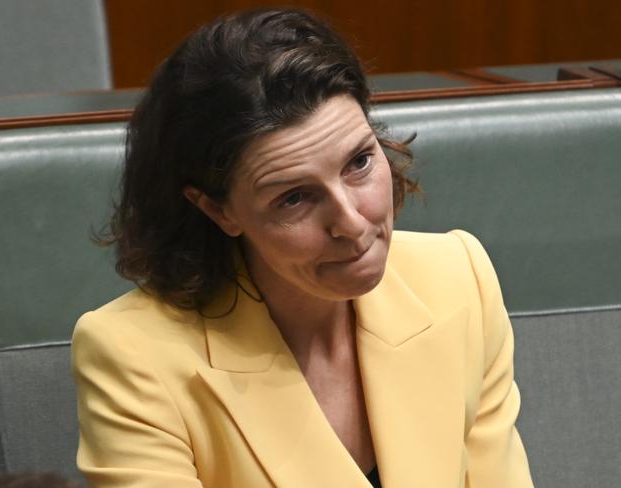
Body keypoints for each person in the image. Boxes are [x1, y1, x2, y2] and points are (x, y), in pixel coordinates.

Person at [72, 8, 534, 487]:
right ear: (217, 210)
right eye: (294, 197)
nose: (352, 224)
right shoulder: (132, 357)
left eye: (359, 162)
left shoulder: (458, 278)